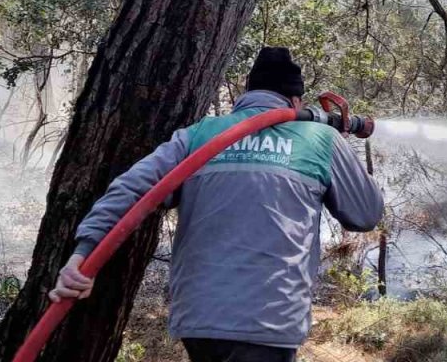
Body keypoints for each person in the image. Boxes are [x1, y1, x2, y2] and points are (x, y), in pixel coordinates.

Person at [48, 47, 384, 362]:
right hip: (269, 321)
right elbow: (366, 214)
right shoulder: (319, 139)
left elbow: (129, 190)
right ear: (295, 100)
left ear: (247, 94)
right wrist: (337, 148)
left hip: (199, 322)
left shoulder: (198, 135)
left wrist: (82, 257)